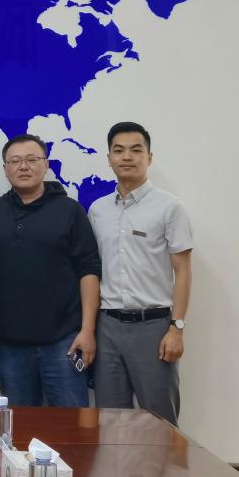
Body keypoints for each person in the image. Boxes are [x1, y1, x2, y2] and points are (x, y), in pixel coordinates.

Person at [88, 122, 192, 425]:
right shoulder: (97, 210)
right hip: (107, 327)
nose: (127, 157)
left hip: (153, 327)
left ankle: (166, 463)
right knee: (110, 421)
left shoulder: (170, 207)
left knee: (160, 423)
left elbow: (183, 271)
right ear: (109, 158)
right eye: (119, 150)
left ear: (149, 157)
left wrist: (177, 328)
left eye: (136, 150)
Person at [0, 134, 101, 407]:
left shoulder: (70, 210)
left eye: (32, 159)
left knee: (71, 426)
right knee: (18, 427)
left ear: (47, 165)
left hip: (64, 343)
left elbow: (88, 271)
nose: (23, 166)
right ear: (5, 168)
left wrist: (88, 331)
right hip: (10, 346)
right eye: (15, 161)